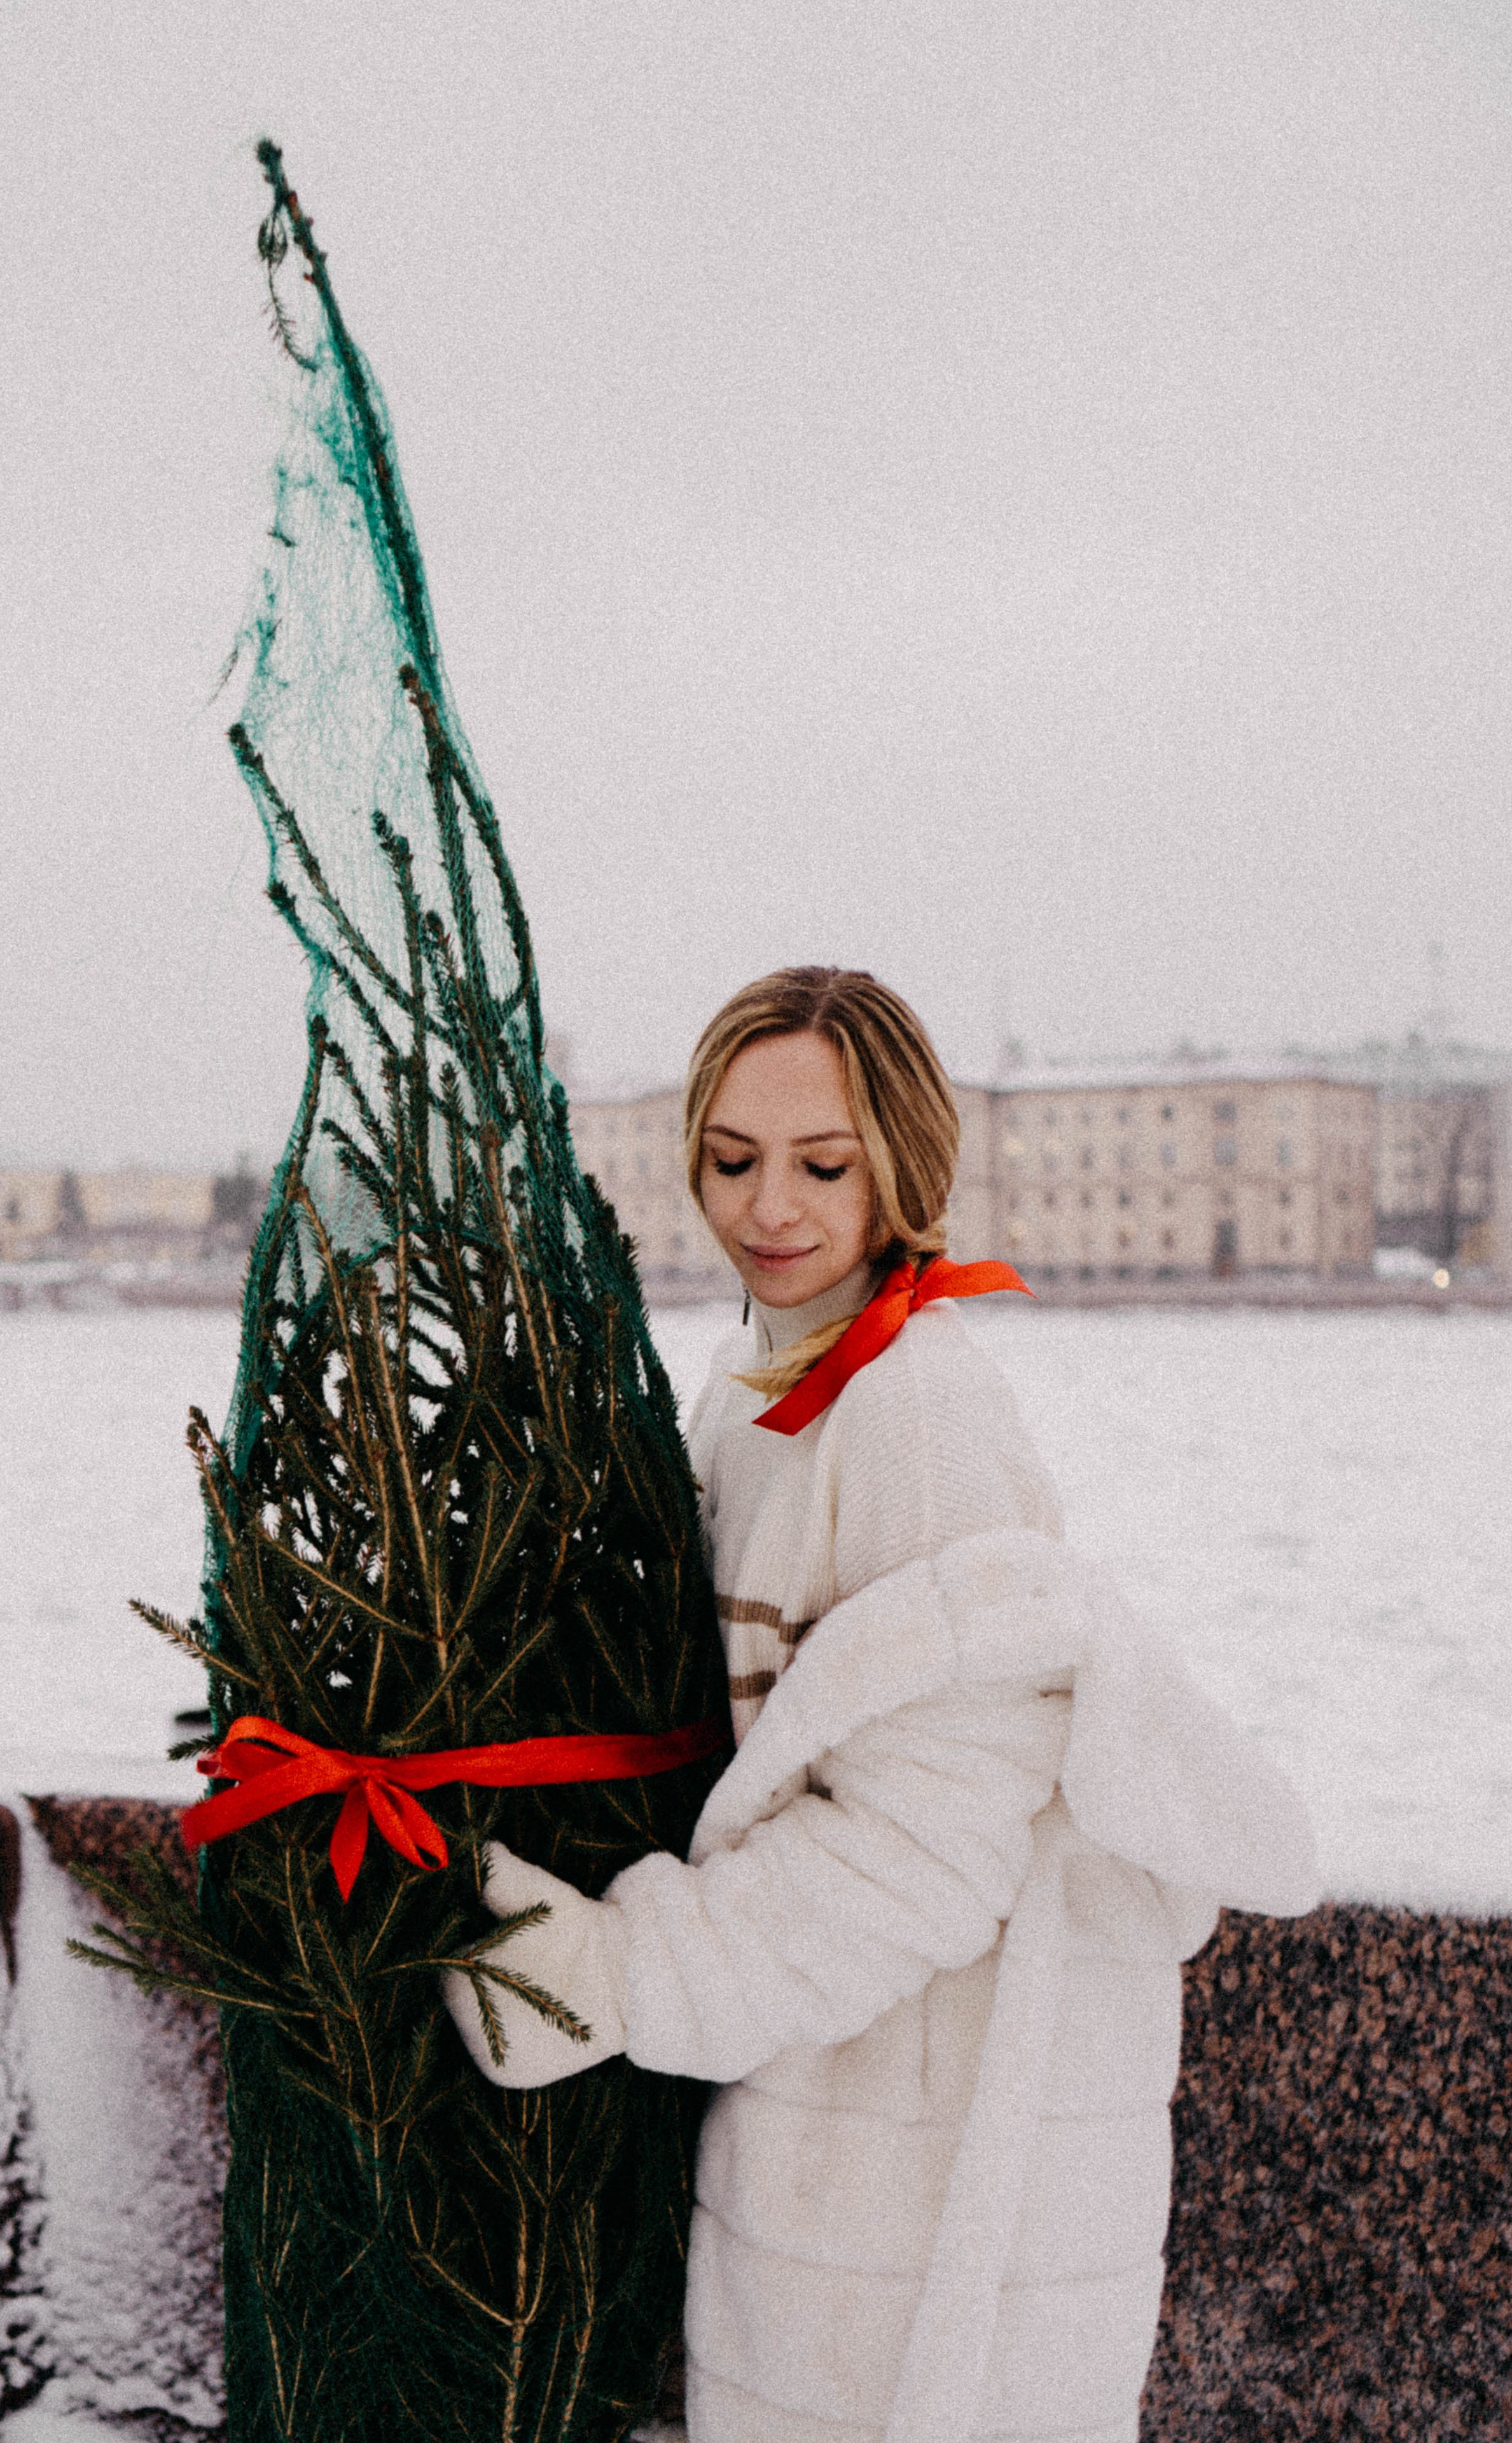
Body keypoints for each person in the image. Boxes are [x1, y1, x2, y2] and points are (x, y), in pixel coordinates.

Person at [445, 966, 1318, 2443]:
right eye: (729, 1161)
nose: (766, 1208)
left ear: (900, 1166)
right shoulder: (758, 1376)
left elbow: (922, 1851)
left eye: (820, 1166)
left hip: (919, 2142)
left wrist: (615, 1974)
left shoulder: (914, 1410)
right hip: (835, 2088)